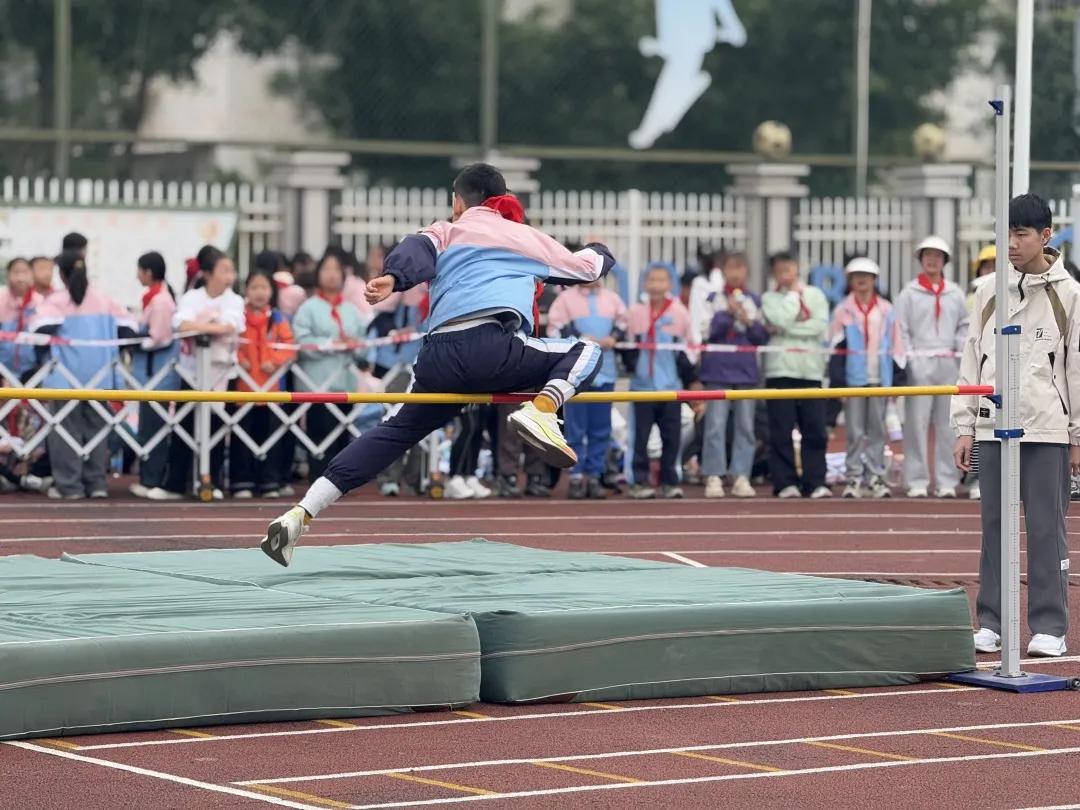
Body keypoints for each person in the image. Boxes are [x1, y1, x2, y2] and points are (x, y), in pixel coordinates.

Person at [260, 162, 613, 566]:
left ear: (457, 202)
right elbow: (587, 269)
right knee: (587, 351)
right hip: (491, 346)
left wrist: (392, 279)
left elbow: (414, 251)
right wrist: (600, 248)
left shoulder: (445, 230)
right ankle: (544, 410)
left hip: (437, 356)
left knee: (393, 433)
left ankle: (300, 513)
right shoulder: (522, 236)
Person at [954, 193, 1078, 659]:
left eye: (1021, 234)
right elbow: (972, 357)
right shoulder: (988, 291)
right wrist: (965, 425)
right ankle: (992, 621)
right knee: (994, 527)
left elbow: (1076, 369)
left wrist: (1077, 436)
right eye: (1005, 233)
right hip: (992, 425)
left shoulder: (1069, 294)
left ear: (1046, 237)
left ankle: (1049, 624)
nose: (1011, 243)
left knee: (1046, 527)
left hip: (1047, 427)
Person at [31, 252, 136, 499]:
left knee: (64, 432)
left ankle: (69, 486)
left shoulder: (56, 301)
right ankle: (97, 484)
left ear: (63, 275)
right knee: (97, 433)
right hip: (100, 378)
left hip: (64, 378)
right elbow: (130, 328)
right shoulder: (105, 299)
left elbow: (37, 329)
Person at [150, 246, 244, 500]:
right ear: (207, 273)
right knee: (183, 426)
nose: (229, 276)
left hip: (222, 374)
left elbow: (230, 326)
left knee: (216, 429)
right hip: (191, 372)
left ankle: (211, 482)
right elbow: (180, 323)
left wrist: (204, 327)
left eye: (231, 270)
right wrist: (210, 326)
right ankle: (174, 484)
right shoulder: (192, 296)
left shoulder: (235, 299)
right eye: (224, 270)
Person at [895, 236, 969, 499]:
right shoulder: (909, 293)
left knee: (947, 424)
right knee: (916, 424)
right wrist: (911, 359)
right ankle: (916, 479)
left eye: (937, 256)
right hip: (920, 363)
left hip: (949, 363)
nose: (932, 260)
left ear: (945, 261)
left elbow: (964, 325)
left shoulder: (955, 293)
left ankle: (947, 479)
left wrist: (957, 351)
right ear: (921, 258)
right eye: (927, 255)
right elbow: (901, 329)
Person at [692, 251, 768, 499]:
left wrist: (746, 320)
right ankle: (714, 474)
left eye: (740, 267)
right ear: (723, 271)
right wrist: (728, 313)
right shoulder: (712, 299)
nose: (736, 273)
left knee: (746, 426)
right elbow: (706, 331)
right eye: (731, 268)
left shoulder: (755, 300)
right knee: (715, 425)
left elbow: (761, 337)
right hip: (717, 370)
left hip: (746, 372)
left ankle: (741, 475)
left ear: (747, 271)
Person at [547, 277, 628, 499]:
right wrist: (579, 339)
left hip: (606, 371)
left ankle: (594, 476)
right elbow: (554, 328)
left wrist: (613, 337)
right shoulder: (565, 299)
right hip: (576, 373)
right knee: (575, 428)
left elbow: (623, 322)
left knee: (601, 428)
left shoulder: (612, 299)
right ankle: (575, 476)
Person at [292, 247, 368, 481]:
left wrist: (355, 345)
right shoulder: (308, 308)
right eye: (326, 269)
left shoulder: (352, 311)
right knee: (319, 433)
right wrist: (329, 343)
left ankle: (339, 480)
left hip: (344, 385)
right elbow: (301, 342)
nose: (332, 275)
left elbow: (363, 347)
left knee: (342, 434)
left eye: (336, 270)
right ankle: (318, 479)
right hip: (316, 383)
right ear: (318, 274)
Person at [830, 257, 904, 499]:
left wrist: (897, 375)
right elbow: (834, 346)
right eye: (856, 276)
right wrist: (837, 380)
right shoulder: (843, 309)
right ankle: (853, 478)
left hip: (879, 379)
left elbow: (897, 343)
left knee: (877, 430)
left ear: (874, 280)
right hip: (853, 380)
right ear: (850, 281)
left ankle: (875, 477)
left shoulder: (886, 309)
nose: (861, 280)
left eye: (866, 276)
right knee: (854, 431)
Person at [761, 251, 831, 499]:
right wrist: (792, 299)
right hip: (780, 370)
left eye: (788, 269)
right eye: (779, 271)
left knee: (815, 429)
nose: (785, 275)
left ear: (796, 269)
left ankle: (815, 481)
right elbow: (778, 318)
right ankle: (785, 482)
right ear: (774, 274)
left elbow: (820, 325)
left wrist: (789, 327)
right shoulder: (769, 298)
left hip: (811, 371)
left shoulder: (815, 295)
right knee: (780, 430)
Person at [623, 264, 694, 499]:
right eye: (652, 280)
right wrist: (634, 367)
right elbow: (627, 346)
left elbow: (689, 348)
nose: (656, 285)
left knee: (671, 438)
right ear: (645, 284)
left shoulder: (680, 313)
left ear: (670, 284)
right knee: (639, 438)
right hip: (642, 388)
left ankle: (670, 481)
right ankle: (638, 481)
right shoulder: (635, 312)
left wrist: (689, 378)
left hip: (670, 388)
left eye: (662, 280)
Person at [231, 269, 296, 498]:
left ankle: (270, 481)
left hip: (271, 390)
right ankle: (242, 481)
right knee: (242, 436)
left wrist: (275, 361)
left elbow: (289, 346)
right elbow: (231, 345)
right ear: (246, 291)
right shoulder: (238, 317)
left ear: (272, 291)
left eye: (264, 287)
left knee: (272, 437)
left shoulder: (277, 318)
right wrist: (241, 360)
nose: (259, 292)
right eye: (254, 287)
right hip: (244, 390)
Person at [129, 251, 180, 499]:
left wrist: (135, 340)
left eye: (139, 270)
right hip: (149, 374)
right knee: (148, 426)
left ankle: (151, 479)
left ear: (148, 272)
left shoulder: (160, 301)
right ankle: (149, 477)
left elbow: (159, 338)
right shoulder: (154, 297)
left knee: (153, 428)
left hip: (156, 375)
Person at [0, 258, 43, 380]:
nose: (20, 278)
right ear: (8, 275)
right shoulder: (1, 300)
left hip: (31, 368)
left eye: (25, 272)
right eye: (16, 272)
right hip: (2, 365)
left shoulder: (41, 302)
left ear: (32, 275)